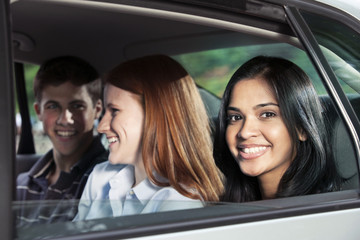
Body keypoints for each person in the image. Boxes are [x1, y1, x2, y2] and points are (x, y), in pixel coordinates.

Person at [75, 55, 224, 220]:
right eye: (104, 112)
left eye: (114, 111)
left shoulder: (179, 205)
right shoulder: (100, 177)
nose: (102, 126)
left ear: (156, 116)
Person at [213, 56, 342, 202]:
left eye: (267, 114)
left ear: (302, 128)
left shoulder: (319, 211)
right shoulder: (230, 205)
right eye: (236, 117)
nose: (245, 132)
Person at [16, 56, 108, 225]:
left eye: (77, 106)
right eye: (53, 106)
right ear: (39, 111)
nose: (65, 119)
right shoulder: (21, 186)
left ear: (97, 109)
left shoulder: (107, 181)